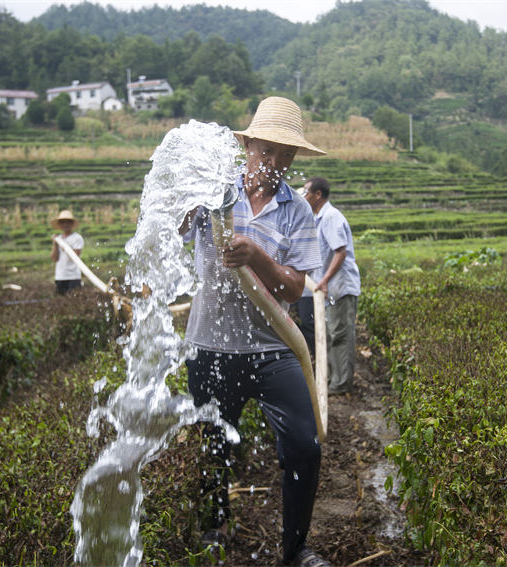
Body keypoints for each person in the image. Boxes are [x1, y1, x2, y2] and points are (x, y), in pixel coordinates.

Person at [182, 97, 331, 567]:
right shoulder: (215, 192)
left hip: (273, 348)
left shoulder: (297, 212)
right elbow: (178, 229)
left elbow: (293, 288)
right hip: (210, 344)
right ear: (248, 146)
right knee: (212, 445)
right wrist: (187, 204)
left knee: (305, 446)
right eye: (267, 151)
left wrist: (259, 258)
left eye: (285, 156)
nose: (275, 163)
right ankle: (215, 525)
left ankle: (295, 549)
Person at [303, 177, 361, 395]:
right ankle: (332, 380)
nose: (304, 197)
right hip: (330, 286)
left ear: (318, 195)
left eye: (307, 192)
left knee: (340, 334)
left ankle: (341, 383)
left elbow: (340, 252)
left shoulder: (331, 217)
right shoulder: (320, 218)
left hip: (339, 286)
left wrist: (324, 280)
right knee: (329, 333)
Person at [50, 209, 84, 295]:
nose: (65, 224)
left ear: (72, 224)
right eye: (63, 222)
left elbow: (75, 256)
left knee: (75, 301)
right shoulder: (59, 239)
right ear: (60, 225)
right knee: (61, 301)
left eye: (68, 222)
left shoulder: (77, 238)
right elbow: (54, 258)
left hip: (73, 276)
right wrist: (55, 244)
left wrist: (64, 245)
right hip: (60, 276)